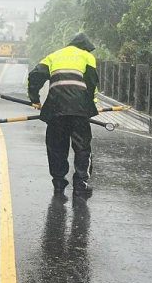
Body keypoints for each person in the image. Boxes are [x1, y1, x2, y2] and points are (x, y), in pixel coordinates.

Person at [27, 32, 99, 199]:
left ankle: (59, 184)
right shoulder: (87, 56)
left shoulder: (54, 56)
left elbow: (35, 76)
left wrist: (35, 99)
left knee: (57, 147)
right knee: (82, 147)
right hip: (79, 110)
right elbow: (91, 83)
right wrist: (90, 106)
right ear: (85, 47)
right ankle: (80, 185)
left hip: (55, 108)